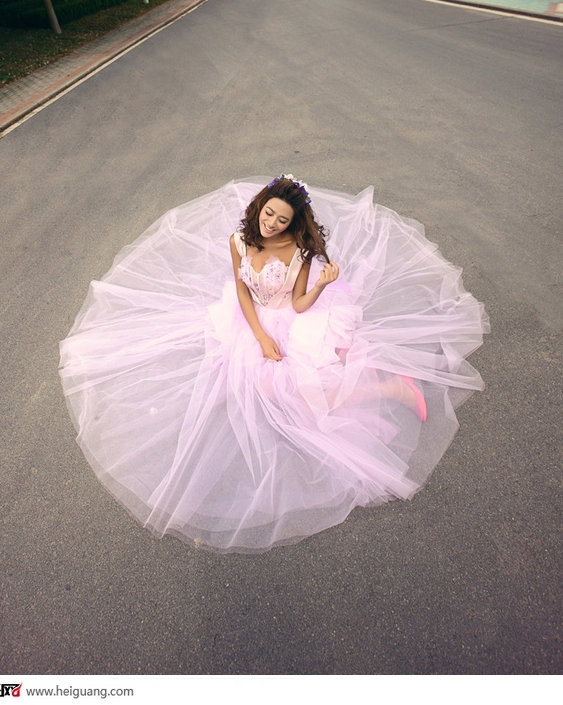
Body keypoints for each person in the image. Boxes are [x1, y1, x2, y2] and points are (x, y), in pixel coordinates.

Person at [59, 175, 489, 553]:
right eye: (268, 213)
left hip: (293, 319)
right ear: (259, 206)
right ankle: (372, 382)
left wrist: (320, 285)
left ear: (293, 222)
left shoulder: (300, 252)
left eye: (282, 220)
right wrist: (260, 337)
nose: (272, 224)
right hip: (252, 320)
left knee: (303, 394)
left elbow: (299, 305)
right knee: (262, 385)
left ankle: (394, 388)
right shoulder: (238, 240)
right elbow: (242, 290)